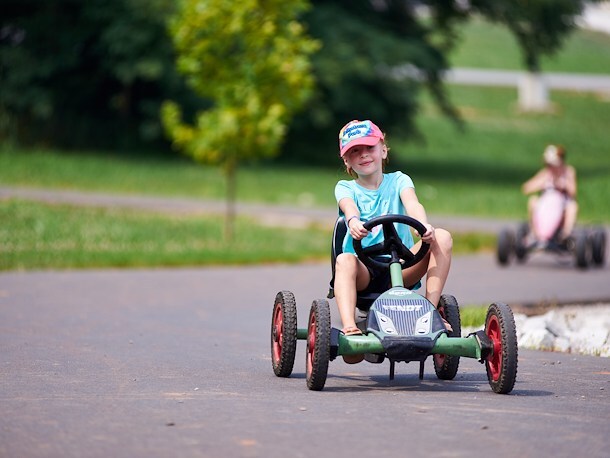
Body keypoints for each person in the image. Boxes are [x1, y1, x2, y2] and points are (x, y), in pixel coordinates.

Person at [333, 119, 453, 363]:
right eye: (355, 151)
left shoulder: (399, 180)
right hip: (365, 271)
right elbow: (348, 207)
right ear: (346, 160)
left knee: (442, 236)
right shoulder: (346, 187)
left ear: (383, 150)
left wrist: (423, 226)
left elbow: (412, 203)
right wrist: (354, 222)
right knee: (345, 259)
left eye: (369, 148)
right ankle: (350, 328)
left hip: (402, 266)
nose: (363, 155)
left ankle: (430, 312)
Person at [521, 144, 578, 242]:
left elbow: (573, 192)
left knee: (572, 206)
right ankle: (534, 232)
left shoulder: (568, 172)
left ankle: (566, 234)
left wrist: (563, 184)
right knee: (533, 200)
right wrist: (540, 183)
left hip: (562, 204)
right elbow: (526, 188)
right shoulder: (546, 173)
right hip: (546, 204)